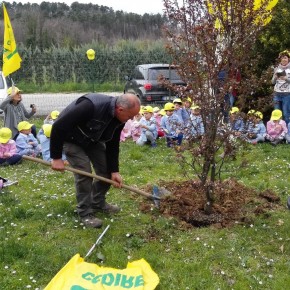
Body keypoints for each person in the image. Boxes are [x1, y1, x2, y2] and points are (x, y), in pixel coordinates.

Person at [50, 93, 141, 229]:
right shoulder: (90, 106)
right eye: (130, 116)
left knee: (106, 172)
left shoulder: (119, 119)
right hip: (71, 140)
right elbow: (58, 126)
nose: (131, 119)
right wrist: (56, 158)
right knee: (85, 173)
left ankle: (97, 202)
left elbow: (113, 144)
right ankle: (85, 213)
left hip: (92, 139)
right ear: (120, 109)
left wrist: (114, 170)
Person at [271, 50, 290, 125]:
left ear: (288, 59)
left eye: (285, 58)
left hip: (287, 95)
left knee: (286, 114)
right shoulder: (276, 69)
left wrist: (286, 78)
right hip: (277, 94)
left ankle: (287, 131)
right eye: (282, 58)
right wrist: (275, 77)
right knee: (276, 113)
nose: (284, 59)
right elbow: (272, 82)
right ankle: (278, 131)